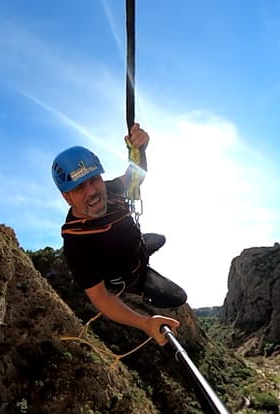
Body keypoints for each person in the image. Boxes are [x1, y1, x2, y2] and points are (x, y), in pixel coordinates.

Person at [52, 124, 187, 346]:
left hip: (134, 246)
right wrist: (145, 323)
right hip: (130, 275)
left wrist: (140, 150)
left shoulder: (110, 188)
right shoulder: (77, 240)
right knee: (179, 297)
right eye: (79, 188)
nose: (93, 191)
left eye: (94, 180)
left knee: (160, 238)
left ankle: (143, 249)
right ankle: (140, 281)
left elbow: (135, 176)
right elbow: (100, 297)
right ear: (67, 197)